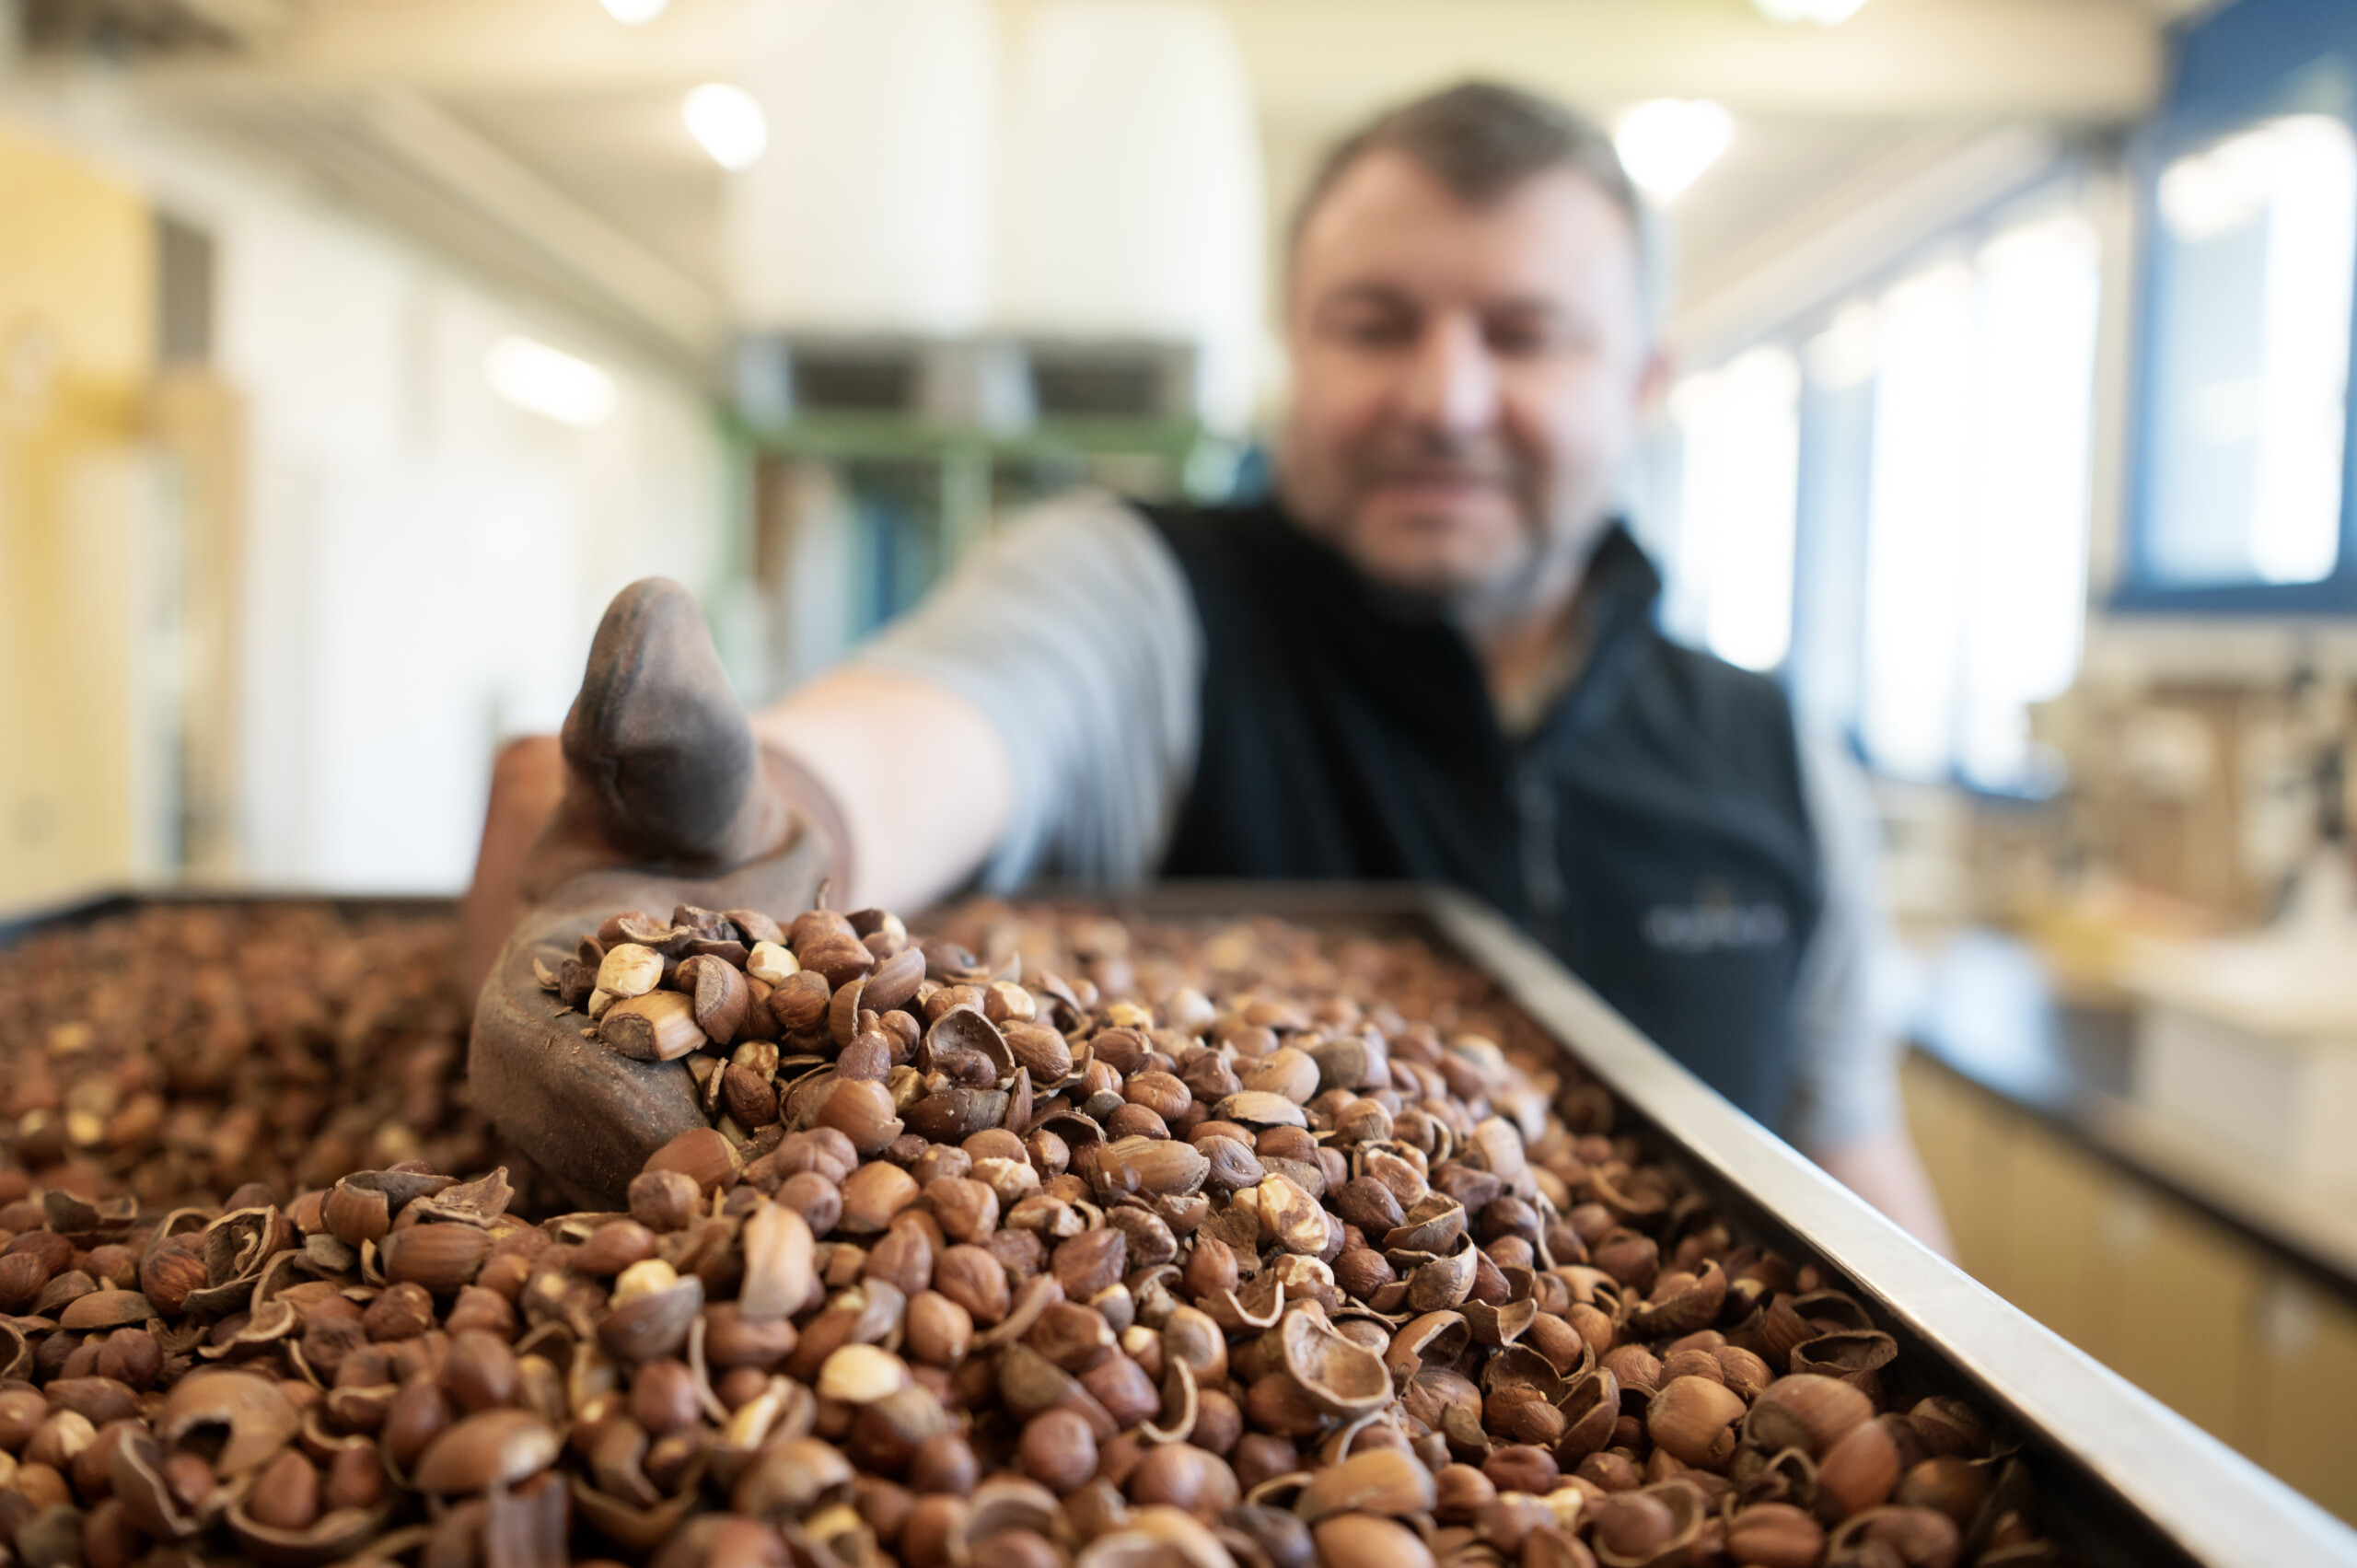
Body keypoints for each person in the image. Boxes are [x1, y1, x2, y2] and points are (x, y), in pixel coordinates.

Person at [467, 80, 1951, 1250]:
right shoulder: (1147, 594)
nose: (1446, 397)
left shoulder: (1776, 754)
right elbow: (941, 723)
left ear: (1640, 383)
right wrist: (754, 826)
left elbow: (1848, 1159)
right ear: (1293, 355)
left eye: (1526, 334)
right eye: (1376, 326)